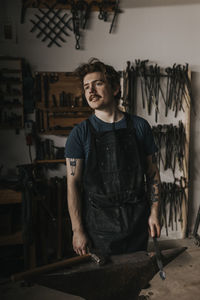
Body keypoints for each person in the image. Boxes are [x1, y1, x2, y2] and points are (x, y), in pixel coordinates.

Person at [65, 58, 161, 256]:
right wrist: (78, 230)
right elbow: (73, 184)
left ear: (115, 88)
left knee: (135, 278)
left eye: (98, 83)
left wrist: (154, 213)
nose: (90, 91)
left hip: (136, 221)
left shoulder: (140, 127)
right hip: (98, 226)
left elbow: (152, 174)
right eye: (86, 87)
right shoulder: (80, 134)